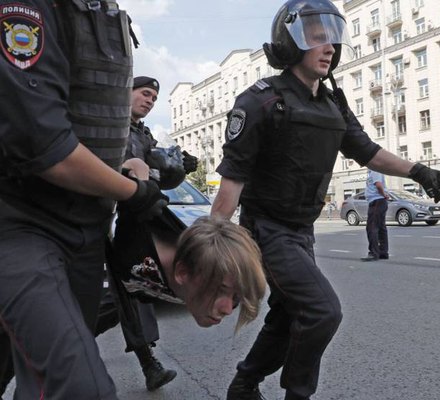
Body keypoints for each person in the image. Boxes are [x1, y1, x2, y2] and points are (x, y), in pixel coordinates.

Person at [210, 1, 440, 399]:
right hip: (266, 229)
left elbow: (368, 151)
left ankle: (244, 383)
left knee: (290, 313)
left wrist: (419, 172)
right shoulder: (260, 101)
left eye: (333, 39)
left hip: (300, 230)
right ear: (289, 43)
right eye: (317, 38)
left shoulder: (332, 102)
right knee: (323, 310)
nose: (329, 48)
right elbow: (229, 190)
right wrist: (216, 259)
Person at [0, 1, 169, 398]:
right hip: (23, 221)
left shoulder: (104, 13)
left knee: (32, 369)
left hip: (86, 228)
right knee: (80, 387)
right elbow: (40, 142)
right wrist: (133, 191)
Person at [95, 76, 198, 391]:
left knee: (132, 284)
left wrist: (180, 169)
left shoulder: (145, 134)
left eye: (154, 97)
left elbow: (157, 176)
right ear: (126, 92)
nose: (150, 100)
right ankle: (56, 341)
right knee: (121, 288)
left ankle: (148, 364)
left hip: (128, 219)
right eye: (144, 93)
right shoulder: (109, 121)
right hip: (97, 216)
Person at [111, 211, 267, 333]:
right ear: (182, 272)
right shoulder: (134, 251)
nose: (227, 309)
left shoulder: (201, 273)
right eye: (220, 290)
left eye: (236, 295)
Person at [361, 169, 390, 261]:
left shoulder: (375, 170)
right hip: (379, 201)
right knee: (381, 227)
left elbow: (378, 185)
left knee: (372, 227)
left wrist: (383, 194)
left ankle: (373, 253)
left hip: (377, 201)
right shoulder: (372, 171)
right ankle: (383, 252)